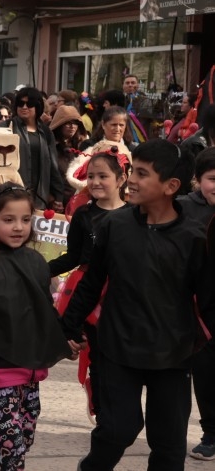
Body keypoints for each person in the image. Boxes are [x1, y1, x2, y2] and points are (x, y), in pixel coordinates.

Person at [62, 140, 213, 471]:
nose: (131, 180)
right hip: (117, 349)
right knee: (118, 429)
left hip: (172, 356)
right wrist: (68, 326)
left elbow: (208, 299)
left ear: (171, 186)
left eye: (142, 174)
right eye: (133, 171)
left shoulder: (193, 237)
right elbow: (91, 282)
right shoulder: (114, 226)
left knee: (169, 446)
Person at [0, 183, 74, 471]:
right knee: (11, 444)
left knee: (24, 438)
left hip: (31, 369)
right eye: (8, 219)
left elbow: (44, 312)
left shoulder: (36, 261)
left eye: (25, 220)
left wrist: (65, 339)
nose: (18, 227)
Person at [50, 148, 131, 420]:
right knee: (96, 352)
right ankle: (101, 408)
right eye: (92, 176)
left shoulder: (135, 215)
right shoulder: (83, 215)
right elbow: (73, 256)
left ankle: (114, 404)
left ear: (121, 179)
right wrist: (39, 268)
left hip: (121, 291)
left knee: (117, 353)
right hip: (87, 289)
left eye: (103, 176)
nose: (96, 182)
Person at [179, 147, 215, 460]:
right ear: (197, 180)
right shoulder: (183, 210)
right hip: (197, 311)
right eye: (212, 179)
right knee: (204, 373)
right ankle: (211, 432)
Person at [1, 87, 66, 210]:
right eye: (20, 103)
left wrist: (58, 195)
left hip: (39, 195)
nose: (24, 107)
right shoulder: (6, 127)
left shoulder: (46, 132)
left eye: (29, 104)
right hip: (11, 192)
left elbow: (53, 165)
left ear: (38, 106)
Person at [49, 105, 89, 207]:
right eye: (68, 123)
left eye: (75, 123)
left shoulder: (82, 146)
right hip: (55, 203)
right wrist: (52, 199)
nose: (72, 127)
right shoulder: (49, 146)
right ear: (59, 125)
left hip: (77, 202)